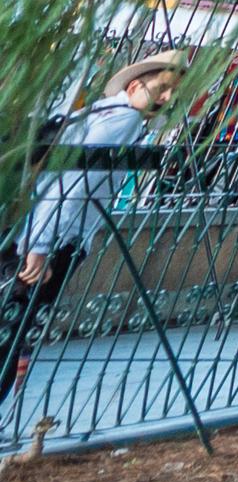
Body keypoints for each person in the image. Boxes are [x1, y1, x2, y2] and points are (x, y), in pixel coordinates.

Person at [5, 50, 186, 412]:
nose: (166, 99)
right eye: (161, 89)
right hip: (51, 240)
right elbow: (71, 186)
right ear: (135, 85)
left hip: (29, 230)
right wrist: (39, 247)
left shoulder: (98, 112)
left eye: (173, 93)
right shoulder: (122, 122)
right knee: (12, 334)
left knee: (14, 333)